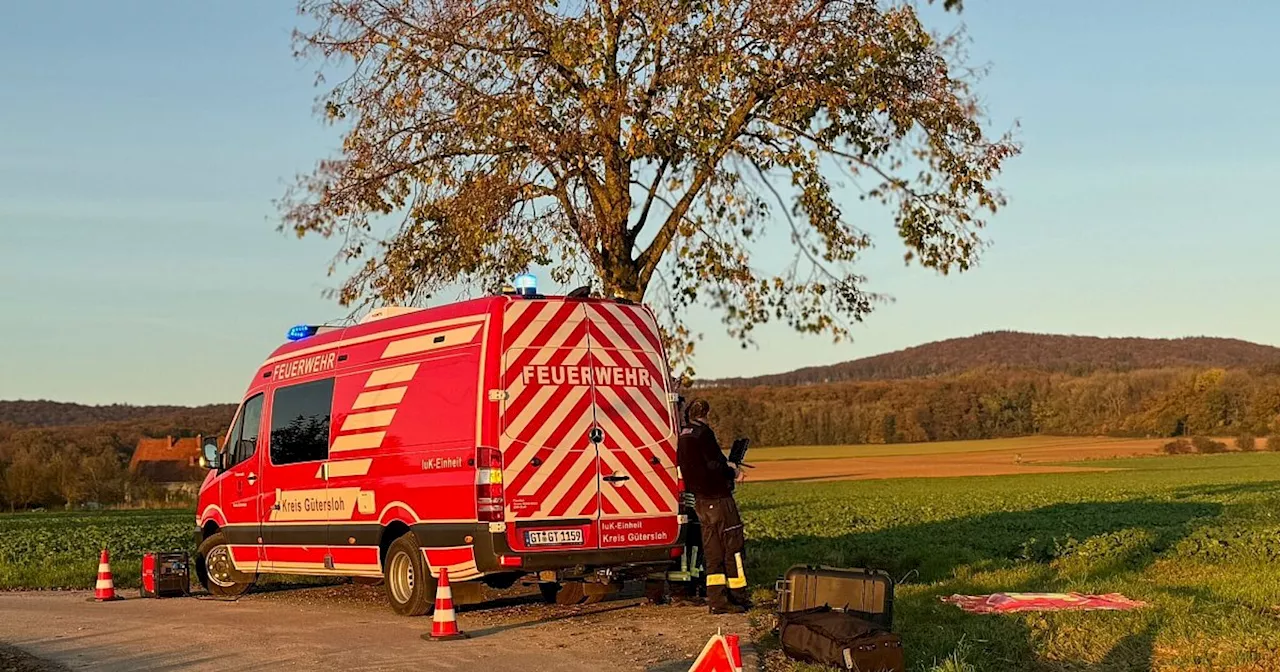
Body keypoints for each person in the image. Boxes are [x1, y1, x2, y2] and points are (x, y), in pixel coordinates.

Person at [677, 398, 749, 614]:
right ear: (706, 413)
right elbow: (713, 463)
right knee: (732, 545)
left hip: (700, 500)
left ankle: (717, 599)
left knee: (712, 549)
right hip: (717, 498)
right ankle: (737, 596)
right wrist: (733, 471)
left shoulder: (684, 434)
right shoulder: (703, 434)